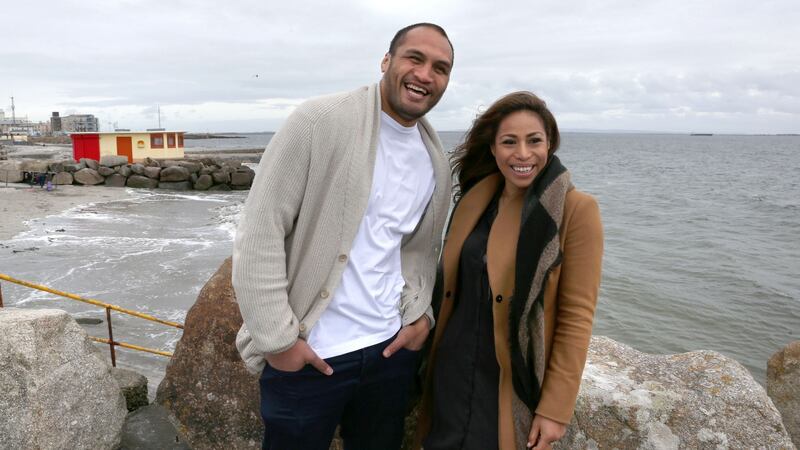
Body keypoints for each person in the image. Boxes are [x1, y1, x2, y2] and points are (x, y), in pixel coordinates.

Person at [232, 23, 454, 450]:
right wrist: (279, 343)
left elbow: (419, 251)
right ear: (387, 61)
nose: (426, 74)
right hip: (312, 354)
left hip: (389, 350)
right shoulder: (318, 122)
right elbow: (259, 233)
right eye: (415, 58)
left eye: (440, 68)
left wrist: (420, 316)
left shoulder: (433, 157)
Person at [415, 92, 604, 450]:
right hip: (450, 371)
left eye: (534, 141)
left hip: (508, 381)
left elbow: (577, 315)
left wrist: (555, 409)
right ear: (493, 149)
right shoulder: (476, 199)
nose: (522, 154)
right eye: (509, 142)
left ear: (550, 144)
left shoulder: (575, 210)